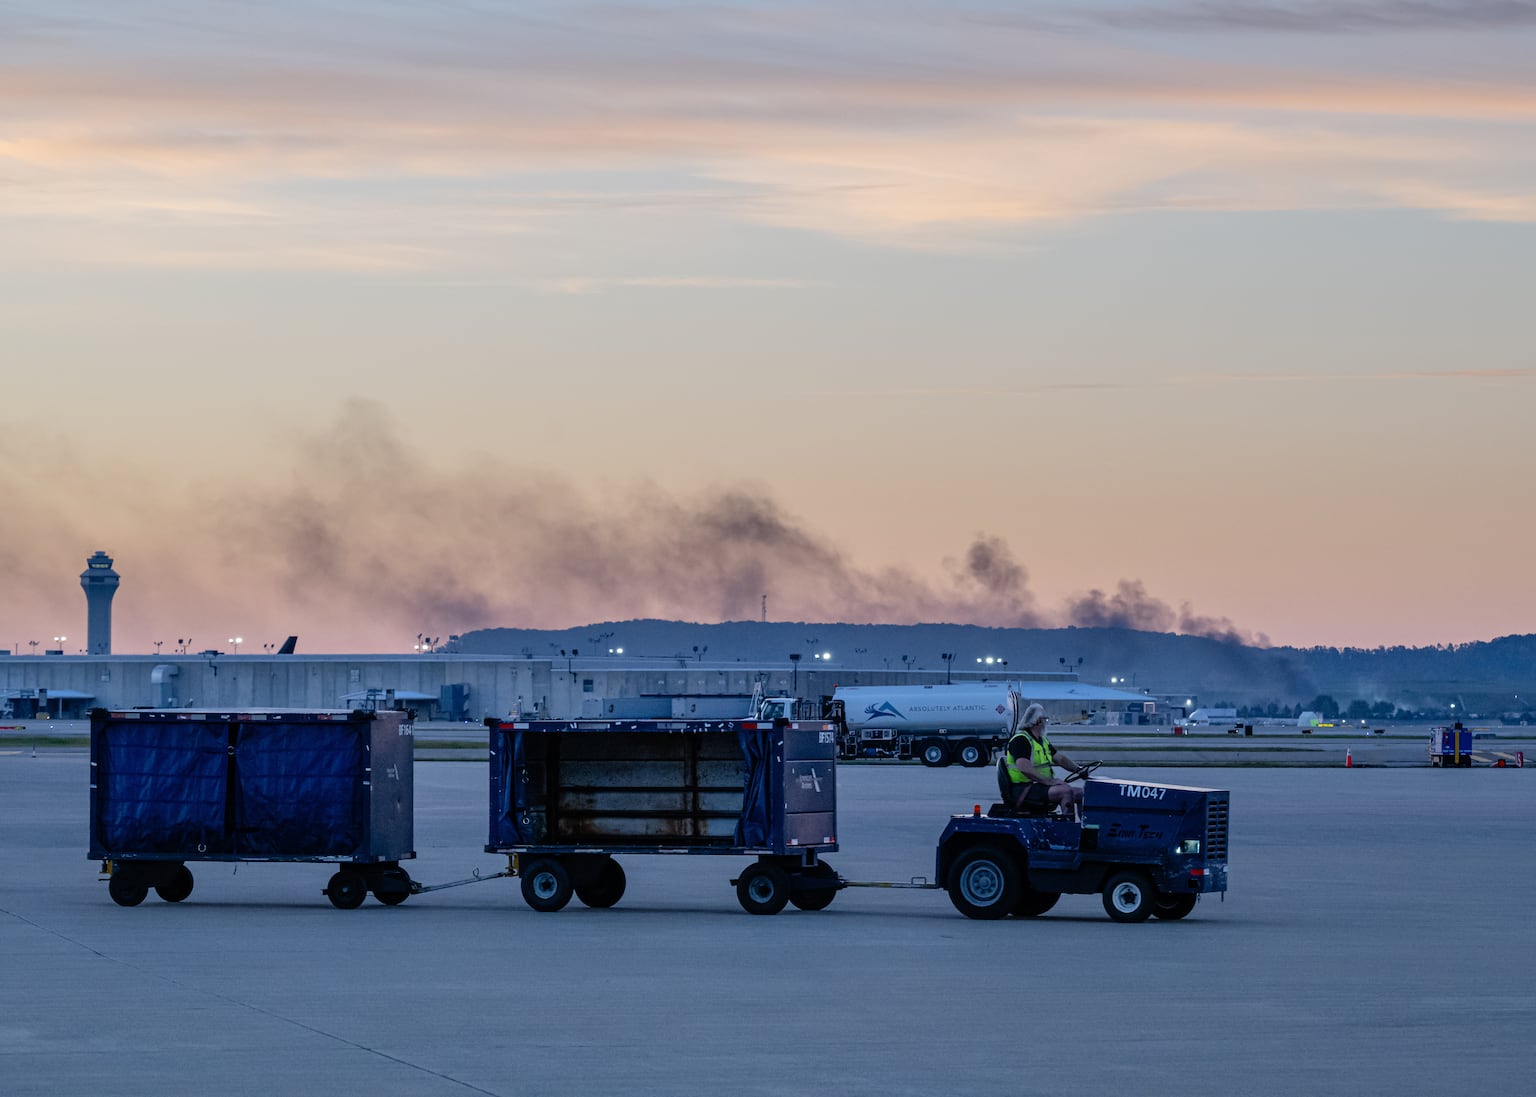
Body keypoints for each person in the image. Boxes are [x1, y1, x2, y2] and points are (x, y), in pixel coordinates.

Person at [1004, 703, 1086, 821]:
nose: (1046, 723)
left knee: (1081, 794)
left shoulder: (1042, 741)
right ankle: (1068, 831)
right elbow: (1023, 767)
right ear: (1037, 721)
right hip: (1024, 788)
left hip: (1039, 786)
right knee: (1066, 792)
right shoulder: (1021, 740)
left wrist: (1078, 770)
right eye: (1045, 719)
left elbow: (1060, 759)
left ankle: (1086, 830)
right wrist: (1049, 782)